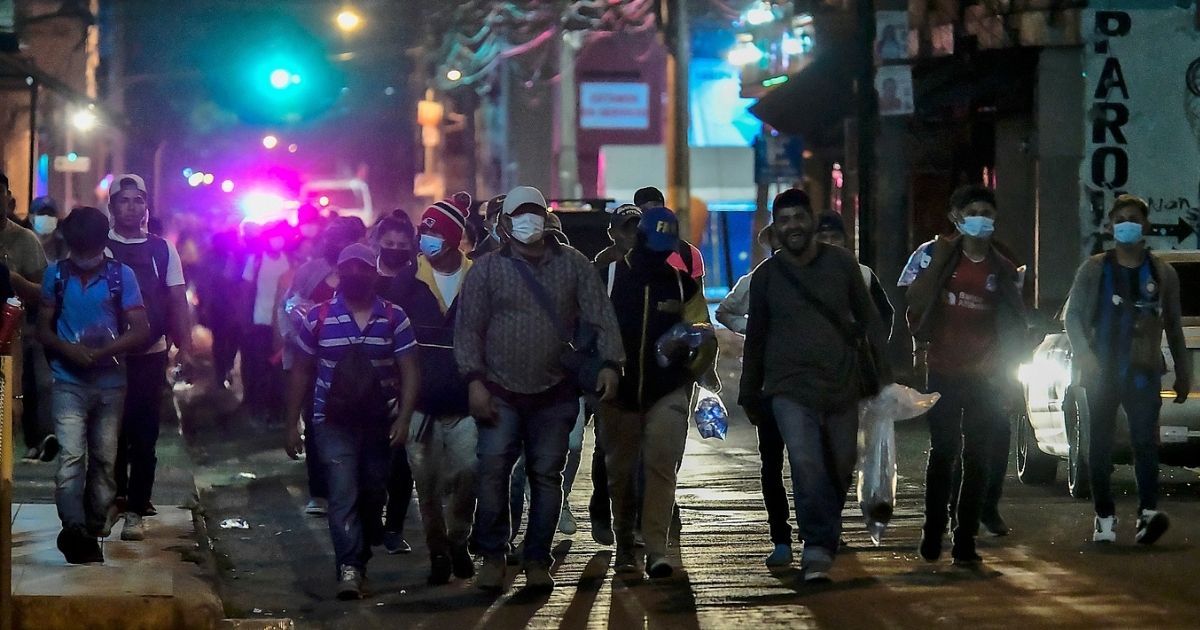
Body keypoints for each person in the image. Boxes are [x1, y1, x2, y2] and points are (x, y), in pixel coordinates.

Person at [455, 185, 624, 593]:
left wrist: (611, 365)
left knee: (546, 478)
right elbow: (468, 330)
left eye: (535, 212)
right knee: (493, 472)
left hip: (555, 392)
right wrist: (474, 381)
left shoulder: (575, 265)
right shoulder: (487, 270)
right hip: (499, 392)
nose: (528, 221)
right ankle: (494, 558)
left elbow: (602, 316)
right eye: (521, 213)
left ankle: (536, 560)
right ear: (506, 221)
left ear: (545, 219)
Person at [738, 189, 891, 583]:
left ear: (812, 221)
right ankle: (817, 548)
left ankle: (824, 528)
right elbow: (755, 336)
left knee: (841, 463)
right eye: (784, 220)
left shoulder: (842, 265)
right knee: (805, 463)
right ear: (776, 228)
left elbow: (871, 320)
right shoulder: (767, 277)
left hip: (842, 385)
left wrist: (888, 375)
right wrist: (749, 391)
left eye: (799, 218)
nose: (793, 226)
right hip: (788, 389)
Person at [284, 243, 420, 599]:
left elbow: (410, 370)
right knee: (343, 491)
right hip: (332, 421)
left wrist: (404, 419)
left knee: (374, 489)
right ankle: (349, 567)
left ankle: (362, 548)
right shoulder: (319, 317)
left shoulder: (394, 317)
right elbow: (300, 371)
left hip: (379, 422)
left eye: (363, 268)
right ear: (338, 274)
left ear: (374, 273)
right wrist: (291, 425)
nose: (356, 274)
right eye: (349, 268)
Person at [904, 184, 1028, 565]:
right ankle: (933, 528)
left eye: (988, 213)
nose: (982, 219)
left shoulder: (1003, 267)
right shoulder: (933, 255)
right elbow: (912, 300)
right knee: (943, 452)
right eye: (974, 212)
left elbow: (1014, 316)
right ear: (956, 216)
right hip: (943, 370)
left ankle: (965, 537)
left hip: (985, 375)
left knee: (978, 457)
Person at [1065, 194, 1191, 545]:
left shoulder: (1162, 273)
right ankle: (1104, 516)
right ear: (1110, 226)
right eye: (1120, 219)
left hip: (1142, 372)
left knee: (1145, 443)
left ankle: (1148, 514)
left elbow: (1174, 326)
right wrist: (1084, 354)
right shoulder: (1094, 270)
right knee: (1100, 446)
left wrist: (1183, 373)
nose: (1127, 224)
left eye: (1133, 218)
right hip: (1101, 372)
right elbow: (1073, 317)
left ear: (1145, 225)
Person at [597, 206, 715, 578]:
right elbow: (585, 329)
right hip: (619, 393)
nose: (659, 253)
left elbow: (703, 331)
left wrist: (692, 367)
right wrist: (600, 371)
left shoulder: (682, 285)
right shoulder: (608, 278)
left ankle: (657, 549)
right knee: (620, 472)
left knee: (662, 465)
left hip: (667, 392)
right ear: (638, 238)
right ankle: (624, 542)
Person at [36, 206, 150, 564]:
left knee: (104, 457)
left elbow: (141, 329)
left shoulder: (122, 277)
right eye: (76, 251)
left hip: (111, 384)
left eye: (88, 251)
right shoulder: (55, 275)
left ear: (103, 244)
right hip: (68, 381)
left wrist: (103, 351)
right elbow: (42, 329)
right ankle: (73, 527)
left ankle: (97, 521)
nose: (82, 259)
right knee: (71, 457)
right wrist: (68, 350)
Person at [378, 198, 479, 584]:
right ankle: (438, 550)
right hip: (417, 405)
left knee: (469, 473)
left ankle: (459, 538)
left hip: (465, 401)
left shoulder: (477, 279)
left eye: (435, 233)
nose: (427, 239)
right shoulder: (406, 282)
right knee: (428, 484)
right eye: (425, 232)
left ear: (453, 238)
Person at [105, 174, 192, 541]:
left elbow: (175, 297)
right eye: (124, 200)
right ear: (111, 207)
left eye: (138, 200)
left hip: (151, 355)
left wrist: (183, 342)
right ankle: (114, 497)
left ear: (147, 206)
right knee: (111, 432)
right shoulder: (99, 246)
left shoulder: (162, 249)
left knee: (144, 432)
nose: (132, 207)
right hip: (107, 356)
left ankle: (137, 507)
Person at [718, 224, 806, 567]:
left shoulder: (812, 281)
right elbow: (726, 312)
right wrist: (751, 327)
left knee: (806, 462)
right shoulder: (758, 278)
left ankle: (811, 528)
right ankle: (780, 536)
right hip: (769, 386)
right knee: (772, 463)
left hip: (803, 386)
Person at [278, 217, 366, 517]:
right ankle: (319, 490)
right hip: (315, 361)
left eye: (340, 239)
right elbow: (289, 306)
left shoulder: (365, 271)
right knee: (316, 421)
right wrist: (298, 332)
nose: (332, 244)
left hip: (358, 363)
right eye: (330, 238)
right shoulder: (310, 271)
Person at [0, 173, 51, 463]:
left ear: (8, 197)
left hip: (15, 335)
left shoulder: (23, 240)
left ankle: (36, 434)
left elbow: (43, 292)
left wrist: (15, 281)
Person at [240, 221, 293, 426]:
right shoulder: (255, 260)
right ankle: (258, 409)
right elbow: (245, 292)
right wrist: (244, 322)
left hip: (280, 325)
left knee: (278, 371)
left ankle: (275, 411)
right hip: (258, 324)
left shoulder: (288, 262)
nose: (276, 240)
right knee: (259, 368)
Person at [814, 212, 894, 331]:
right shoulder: (802, 273)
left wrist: (872, 347)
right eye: (823, 237)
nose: (829, 242)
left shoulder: (863, 274)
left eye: (835, 237)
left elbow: (884, 315)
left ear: (844, 240)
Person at [634, 187, 705, 282]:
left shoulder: (689, 254)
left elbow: (697, 295)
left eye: (656, 208)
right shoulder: (629, 254)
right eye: (644, 210)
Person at [469, 194, 506, 260]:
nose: (504, 223)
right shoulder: (475, 261)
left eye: (507, 218)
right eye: (498, 218)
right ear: (486, 224)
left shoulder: (524, 254)